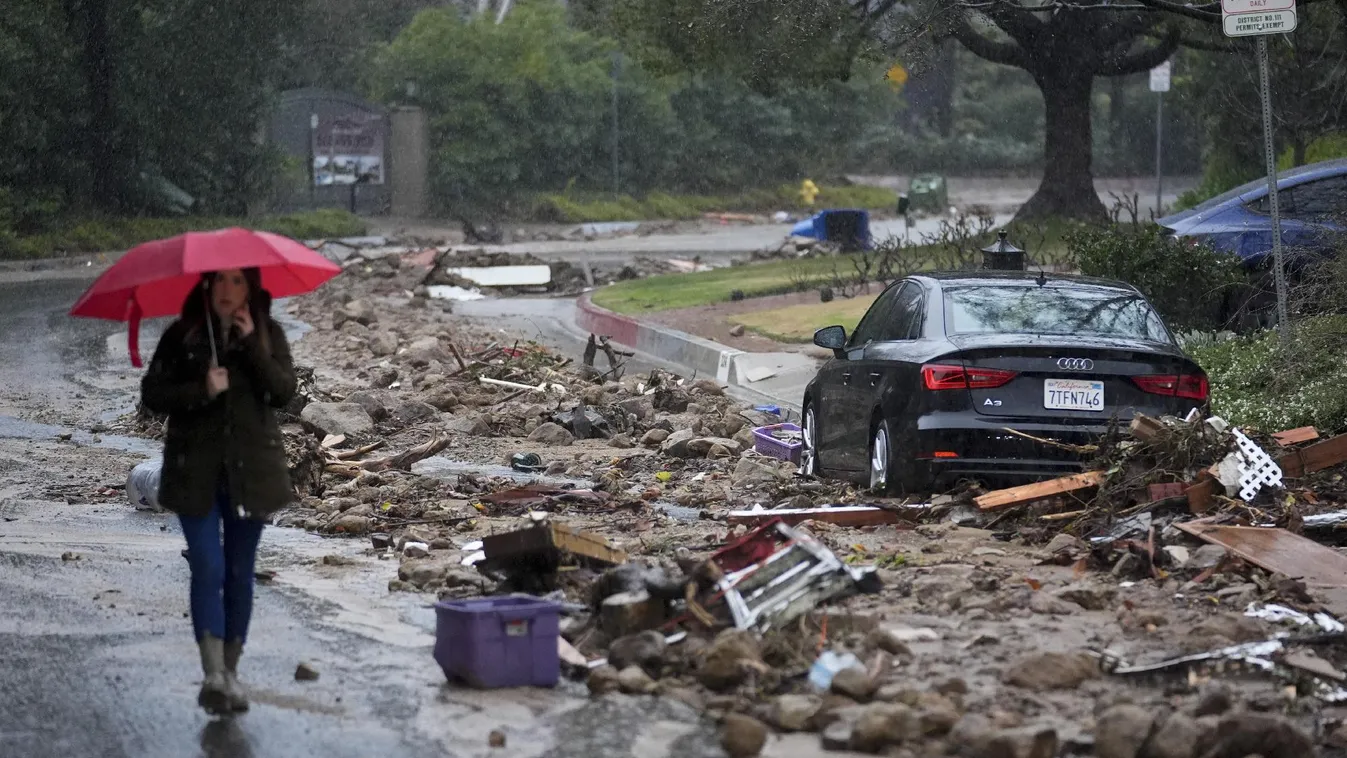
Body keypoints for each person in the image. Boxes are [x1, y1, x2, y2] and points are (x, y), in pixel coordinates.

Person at [141, 267, 297, 715]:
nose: (228, 290)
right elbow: (152, 394)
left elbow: (283, 392)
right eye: (220, 281)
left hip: (253, 475)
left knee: (238, 571)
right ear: (207, 285)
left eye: (238, 281)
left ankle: (230, 674)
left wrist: (251, 348)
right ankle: (212, 674)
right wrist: (202, 389)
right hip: (195, 473)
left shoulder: (268, 333)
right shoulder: (183, 335)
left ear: (251, 289)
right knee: (208, 566)